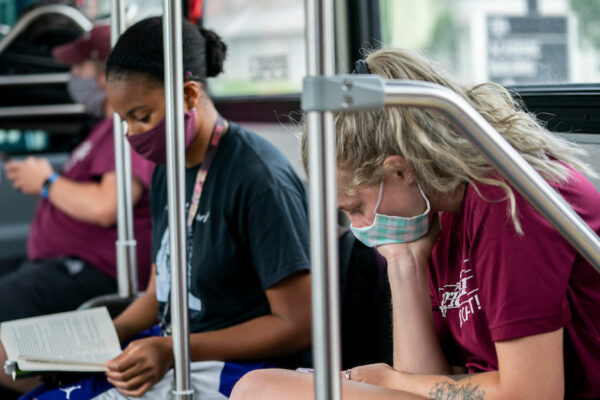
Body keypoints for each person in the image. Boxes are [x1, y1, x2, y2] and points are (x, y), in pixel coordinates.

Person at [231, 48, 600, 400]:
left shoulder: (508, 203)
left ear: (400, 170)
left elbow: (531, 393)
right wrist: (403, 261)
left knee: (258, 390)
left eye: (356, 207)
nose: (359, 226)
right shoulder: (433, 212)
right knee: (257, 387)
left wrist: (391, 380)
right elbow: (422, 377)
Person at [18, 16, 312, 400]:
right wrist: (102, 339)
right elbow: (159, 293)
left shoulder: (258, 179)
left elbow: (297, 323)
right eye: (124, 122)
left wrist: (176, 350)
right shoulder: (168, 171)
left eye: (142, 117)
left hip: (234, 366)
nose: (132, 136)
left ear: (189, 96)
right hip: (171, 344)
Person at [0, 23, 155, 394]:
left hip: (93, 269)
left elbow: (108, 206)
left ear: (105, 74)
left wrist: (47, 182)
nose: (73, 77)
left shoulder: (125, 131)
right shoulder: (102, 131)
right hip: (62, 265)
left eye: (80, 68)